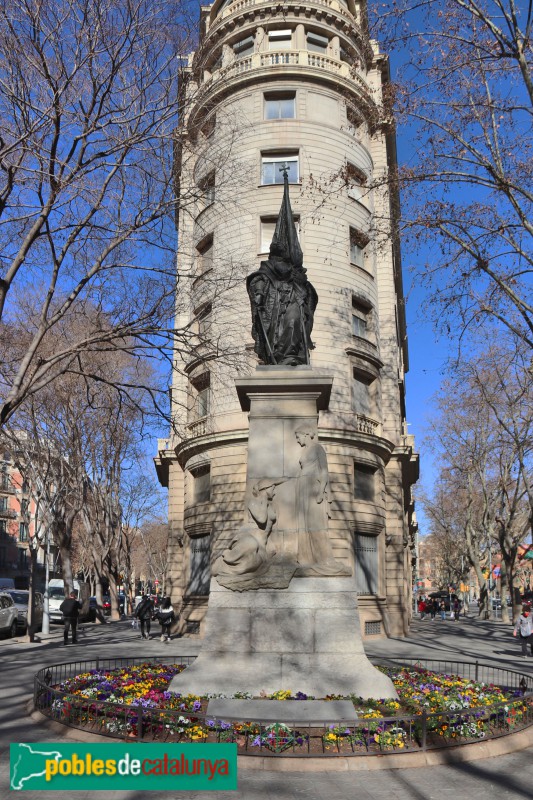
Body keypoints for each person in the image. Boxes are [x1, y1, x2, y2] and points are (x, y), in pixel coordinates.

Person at [247, 170, 317, 366]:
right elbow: (258, 278)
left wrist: (301, 284)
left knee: (294, 321)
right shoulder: (268, 267)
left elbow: (308, 292)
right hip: (274, 305)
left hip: (292, 302)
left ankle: (291, 355)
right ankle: (278, 356)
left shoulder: (296, 270)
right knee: (275, 331)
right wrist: (259, 294)